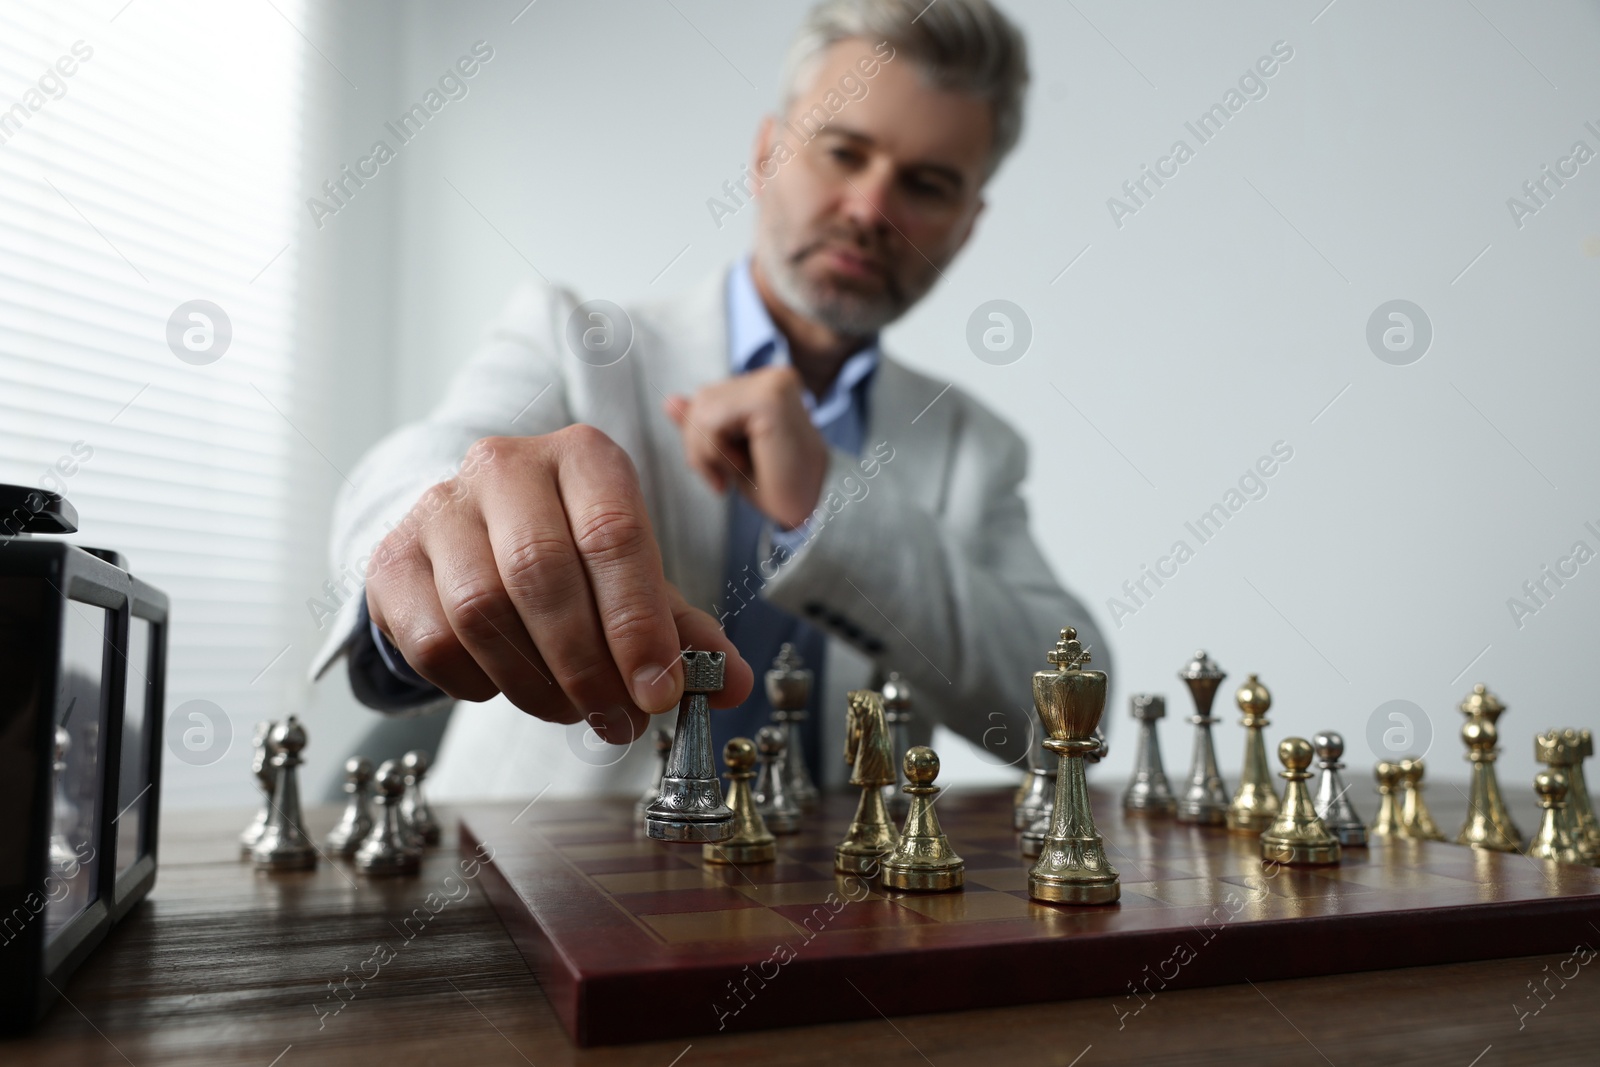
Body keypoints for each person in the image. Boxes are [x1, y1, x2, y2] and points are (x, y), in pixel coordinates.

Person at [311, 0, 1108, 799]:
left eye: (928, 185)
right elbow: (427, 464)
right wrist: (431, 534)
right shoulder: (572, 342)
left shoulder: (974, 446)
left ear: (966, 227)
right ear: (766, 154)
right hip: (537, 893)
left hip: (828, 908)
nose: (870, 210)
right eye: (842, 152)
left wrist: (824, 503)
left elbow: (1069, 710)